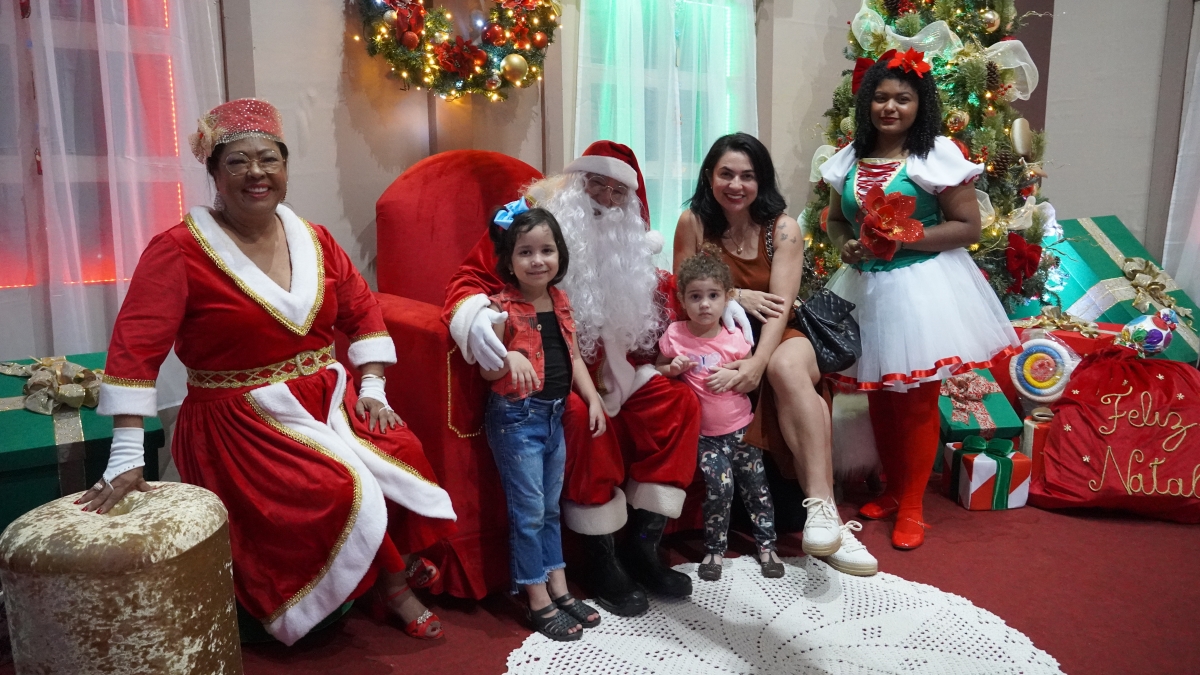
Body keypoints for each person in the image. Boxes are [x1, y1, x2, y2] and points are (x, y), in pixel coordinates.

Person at [85, 99, 457, 645]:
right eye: (237, 162)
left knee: (401, 448)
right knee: (338, 487)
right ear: (214, 173)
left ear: (285, 168)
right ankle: (393, 585)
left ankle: (379, 567)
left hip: (326, 398)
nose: (255, 173)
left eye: (268, 159)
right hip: (237, 418)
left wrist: (373, 387)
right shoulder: (178, 251)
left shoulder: (317, 240)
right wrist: (125, 454)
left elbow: (362, 312)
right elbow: (134, 350)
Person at [444, 142, 750, 616]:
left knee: (678, 404)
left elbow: (661, 284)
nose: (607, 198)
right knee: (583, 420)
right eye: (596, 184)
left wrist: (723, 301)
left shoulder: (629, 244)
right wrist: (477, 316)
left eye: (618, 190)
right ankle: (601, 559)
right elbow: (468, 279)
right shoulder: (538, 228)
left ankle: (642, 548)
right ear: (575, 186)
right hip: (555, 377)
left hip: (621, 370)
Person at [820, 49, 1021, 549]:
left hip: (920, 289)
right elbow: (836, 219)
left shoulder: (936, 156)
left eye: (903, 98)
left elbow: (968, 227)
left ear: (920, 104)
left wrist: (904, 237)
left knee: (915, 403)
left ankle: (912, 504)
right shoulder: (848, 158)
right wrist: (844, 244)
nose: (890, 107)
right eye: (881, 97)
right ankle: (893, 490)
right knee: (881, 398)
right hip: (865, 289)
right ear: (867, 103)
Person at [674, 132, 877, 577]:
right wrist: (736, 295)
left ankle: (822, 510)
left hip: (781, 332)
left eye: (747, 176)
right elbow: (681, 288)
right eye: (726, 174)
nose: (736, 185)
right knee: (783, 380)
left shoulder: (782, 228)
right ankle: (825, 519)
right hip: (722, 336)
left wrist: (756, 363)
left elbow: (781, 308)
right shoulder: (693, 223)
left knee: (785, 366)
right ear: (709, 176)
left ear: (761, 180)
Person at [480, 203, 604, 641]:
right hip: (517, 418)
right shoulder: (499, 308)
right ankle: (536, 598)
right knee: (529, 512)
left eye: (546, 251)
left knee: (551, 508)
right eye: (525, 252)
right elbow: (487, 371)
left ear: (560, 255)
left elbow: (574, 357)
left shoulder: (560, 300)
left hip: (554, 415)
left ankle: (559, 587)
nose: (537, 261)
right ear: (509, 260)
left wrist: (591, 397)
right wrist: (507, 357)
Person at [657, 246, 783, 582]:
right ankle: (714, 549)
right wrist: (672, 368)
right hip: (705, 437)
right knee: (719, 490)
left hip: (742, 431)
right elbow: (658, 369)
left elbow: (750, 373)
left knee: (757, 489)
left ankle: (767, 546)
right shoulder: (675, 335)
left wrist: (733, 375)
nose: (704, 304)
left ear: (727, 298)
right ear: (683, 300)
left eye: (713, 296)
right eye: (695, 296)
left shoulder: (735, 338)